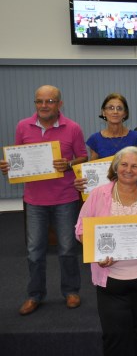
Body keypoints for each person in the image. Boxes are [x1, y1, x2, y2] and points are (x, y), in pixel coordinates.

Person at [0, 85, 87, 316]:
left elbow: (83, 158)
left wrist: (69, 164)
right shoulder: (22, 126)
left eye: (49, 101)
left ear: (60, 104)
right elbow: (18, 159)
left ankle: (71, 291)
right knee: (34, 251)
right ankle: (35, 295)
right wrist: (9, 167)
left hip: (65, 198)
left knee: (68, 249)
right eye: (39, 101)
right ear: (35, 104)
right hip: (34, 200)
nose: (44, 106)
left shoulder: (73, 128)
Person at [75, 146, 137, 355]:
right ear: (115, 167)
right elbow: (80, 230)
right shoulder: (98, 194)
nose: (129, 170)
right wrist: (97, 254)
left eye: (135, 166)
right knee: (114, 336)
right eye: (124, 164)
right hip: (111, 280)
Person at [86, 93, 137, 160]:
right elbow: (93, 168)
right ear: (104, 112)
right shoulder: (95, 139)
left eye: (119, 108)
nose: (115, 112)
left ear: (125, 113)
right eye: (111, 108)